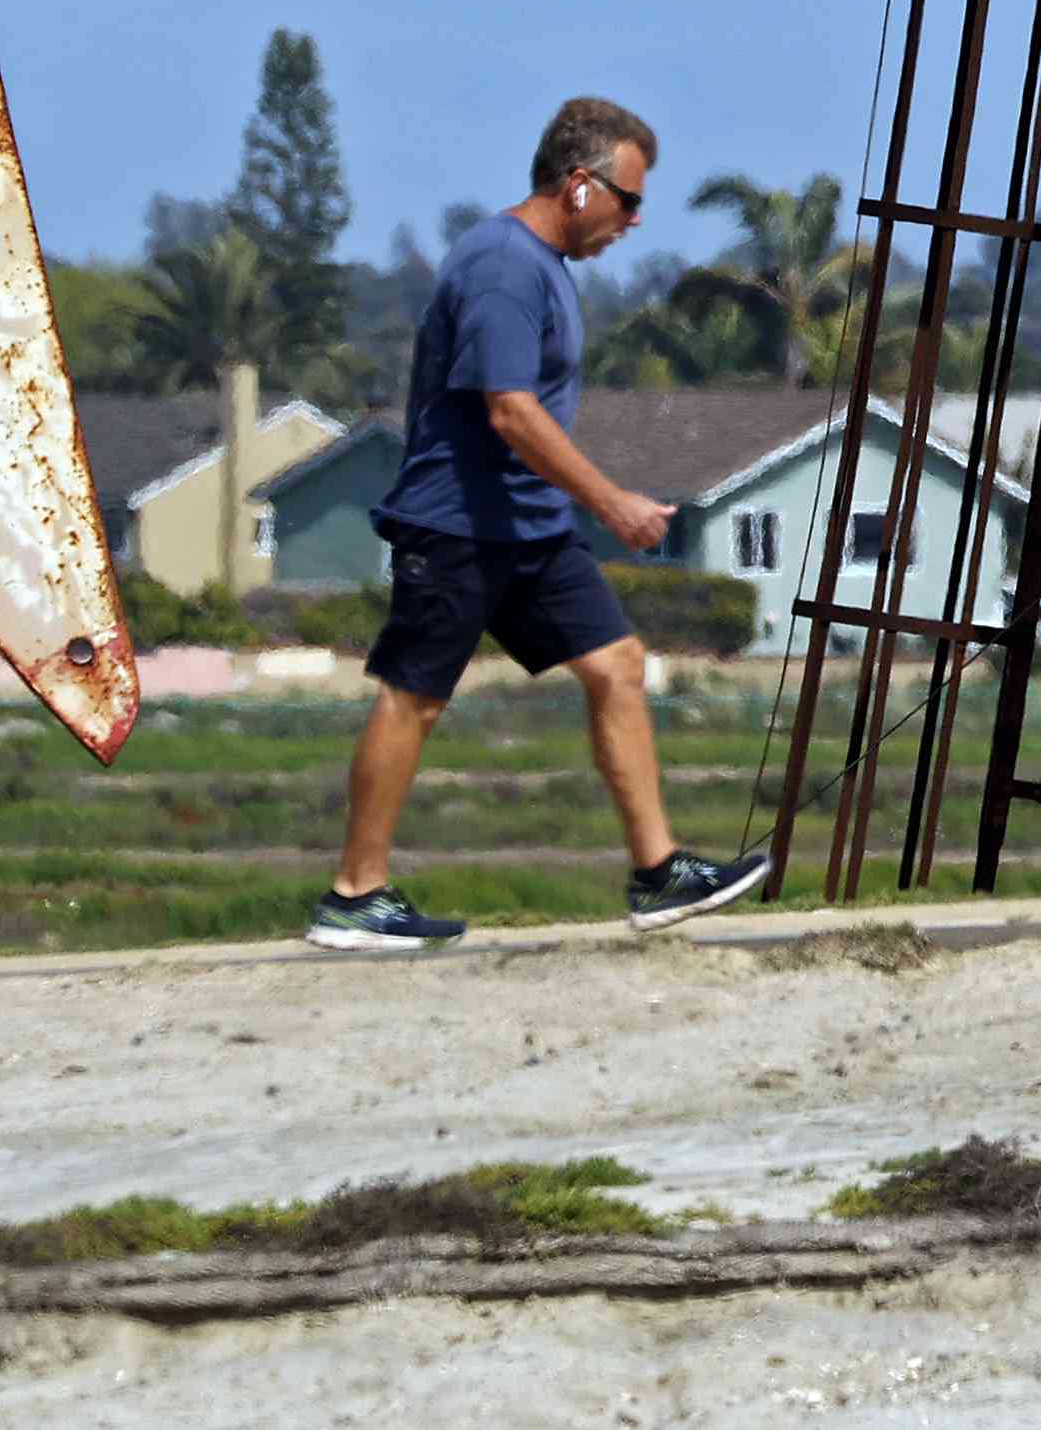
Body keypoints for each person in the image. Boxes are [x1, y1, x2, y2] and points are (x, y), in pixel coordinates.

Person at [306, 96, 772, 946]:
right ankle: (353, 896)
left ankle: (658, 873)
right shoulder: (503, 267)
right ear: (580, 184)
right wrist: (613, 501)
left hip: (528, 529)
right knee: (413, 699)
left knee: (617, 665)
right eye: (630, 201)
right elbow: (510, 413)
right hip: (457, 525)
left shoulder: (543, 266)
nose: (634, 221)